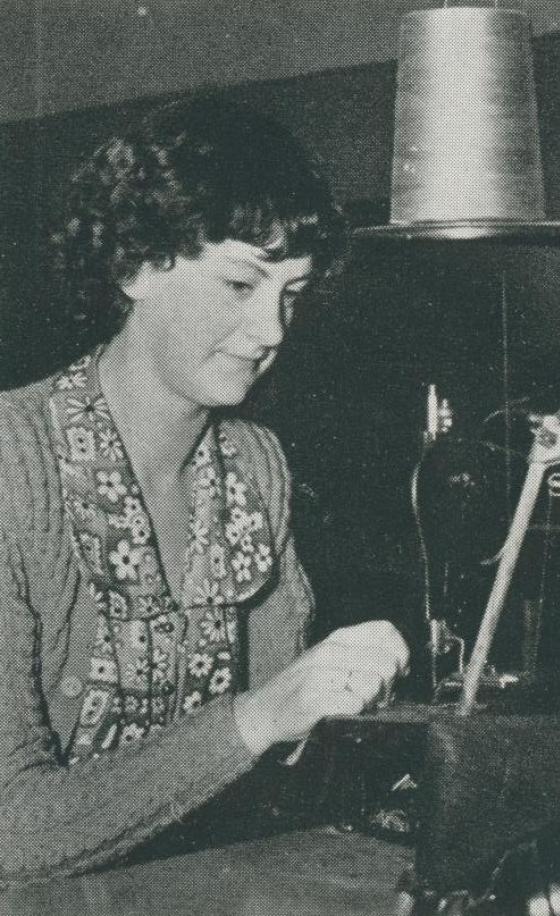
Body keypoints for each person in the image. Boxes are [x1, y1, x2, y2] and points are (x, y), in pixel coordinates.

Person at [0, 97, 409, 881]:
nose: (272, 332)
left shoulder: (255, 466)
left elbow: (287, 769)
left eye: (292, 292)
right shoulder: (13, 463)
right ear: (134, 266)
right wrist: (256, 719)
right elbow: (10, 834)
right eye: (238, 285)